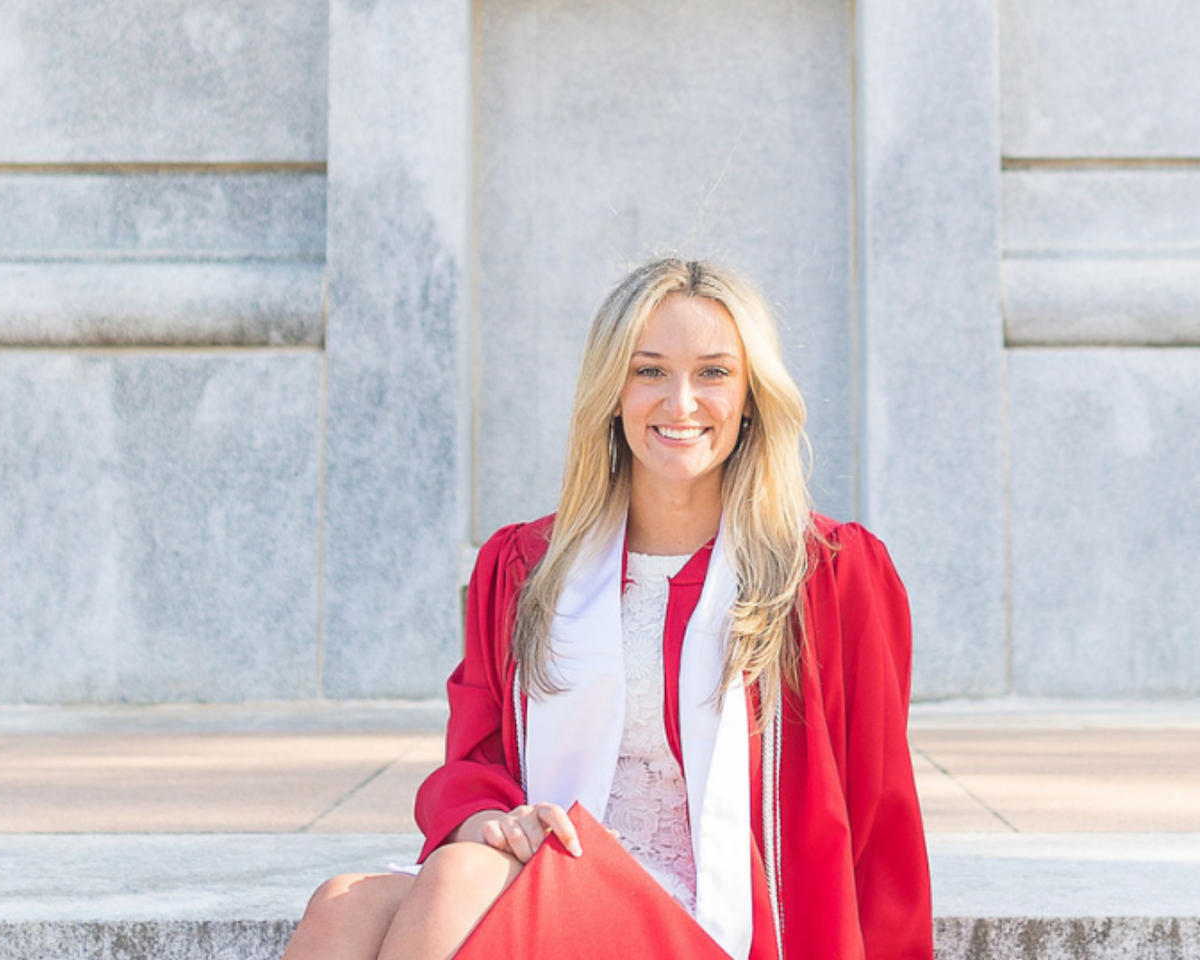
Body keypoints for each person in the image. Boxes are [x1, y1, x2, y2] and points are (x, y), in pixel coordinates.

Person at [282, 259, 931, 960]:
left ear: (750, 396)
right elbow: (475, 762)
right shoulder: (529, 567)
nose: (680, 403)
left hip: (713, 923)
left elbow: (880, 818)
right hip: (562, 875)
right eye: (649, 371)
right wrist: (493, 822)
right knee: (341, 908)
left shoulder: (826, 575)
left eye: (713, 373)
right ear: (612, 392)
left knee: (458, 879)